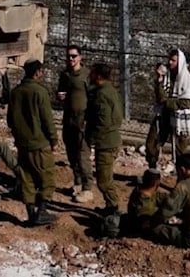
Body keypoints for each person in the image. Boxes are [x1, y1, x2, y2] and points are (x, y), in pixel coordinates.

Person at [7, 60, 59, 227]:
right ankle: (41, 212)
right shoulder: (39, 92)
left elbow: (10, 120)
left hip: (22, 143)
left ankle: (30, 213)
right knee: (47, 178)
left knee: (27, 178)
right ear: (37, 72)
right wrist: (54, 140)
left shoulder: (15, 92)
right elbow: (47, 120)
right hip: (39, 144)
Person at [146, 49, 190, 169]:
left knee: (180, 151)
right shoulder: (166, 77)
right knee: (151, 145)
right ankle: (153, 173)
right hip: (163, 115)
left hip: (179, 118)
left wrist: (167, 102)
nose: (170, 62)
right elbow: (160, 98)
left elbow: (185, 103)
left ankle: (181, 179)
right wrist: (159, 80)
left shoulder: (187, 78)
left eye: (173, 60)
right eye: (169, 59)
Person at [57, 45, 94, 204]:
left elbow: (93, 98)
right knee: (71, 154)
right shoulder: (65, 75)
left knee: (83, 155)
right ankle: (77, 182)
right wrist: (60, 96)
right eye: (69, 57)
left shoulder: (86, 76)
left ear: (80, 57)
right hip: (69, 120)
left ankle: (87, 188)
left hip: (82, 121)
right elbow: (61, 92)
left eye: (73, 56)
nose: (71, 59)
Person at [85, 62, 123, 214]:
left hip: (106, 142)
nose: (90, 76)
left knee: (104, 181)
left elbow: (103, 120)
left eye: (93, 73)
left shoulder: (102, 95)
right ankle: (110, 206)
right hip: (110, 140)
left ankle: (113, 208)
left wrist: (93, 137)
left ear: (99, 76)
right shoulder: (110, 90)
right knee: (105, 177)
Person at [125, 168, 167, 236]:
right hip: (141, 228)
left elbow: (158, 197)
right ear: (158, 183)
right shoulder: (145, 207)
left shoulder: (139, 191)